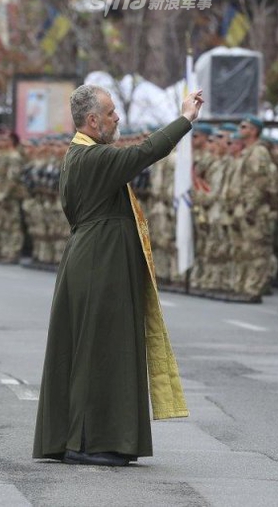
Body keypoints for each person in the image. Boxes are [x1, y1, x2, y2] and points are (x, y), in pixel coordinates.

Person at [33, 83, 203, 467]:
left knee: (98, 349)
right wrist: (185, 119)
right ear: (92, 121)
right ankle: (90, 441)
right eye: (111, 113)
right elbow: (146, 152)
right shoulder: (92, 157)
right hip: (99, 263)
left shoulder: (84, 153)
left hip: (98, 258)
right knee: (99, 351)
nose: (117, 118)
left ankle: (86, 437)